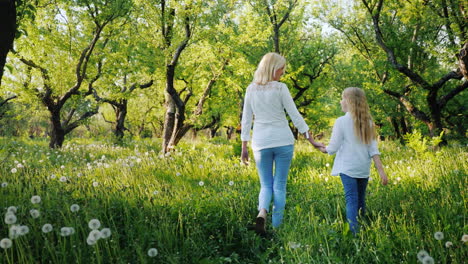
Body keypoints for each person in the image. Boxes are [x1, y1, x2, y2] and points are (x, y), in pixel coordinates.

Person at [240, 52, 323, 236]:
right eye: (281, 69)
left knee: (265, 185)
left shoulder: (250, 89)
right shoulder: (280, 88)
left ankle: (262, 212)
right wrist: (311, 140)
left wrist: (244, 147)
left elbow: (246, 120)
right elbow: (295, 115)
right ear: (272, 68)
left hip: (261, 143)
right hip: (283, 141)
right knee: (279, 186)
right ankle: (276, 228)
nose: (283, 73)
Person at [318, 87, 388, 235]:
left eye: (342, 98)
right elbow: (373, 149)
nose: (340, 101)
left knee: (351, 199)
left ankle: (354, 233)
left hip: (348, 168)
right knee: (360, 200)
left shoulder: (341, 121)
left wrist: (323, 149)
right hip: (363, 168)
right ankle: (362, 228)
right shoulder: (368, 122)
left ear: (349, 102)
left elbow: (333, 147)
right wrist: (381, 171)